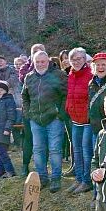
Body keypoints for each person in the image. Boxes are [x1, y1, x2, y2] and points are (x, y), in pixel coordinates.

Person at [22, 50, 67, 192]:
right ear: (34, 63)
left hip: (54, 119)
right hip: (35, 119)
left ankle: (55, 178)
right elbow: (25, 97)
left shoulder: (59, 75)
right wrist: (28, 113)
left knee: (54, 149)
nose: (40, 64)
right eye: (37, 62)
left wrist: (60, 113)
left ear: (48, 61)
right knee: (38, 149)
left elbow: (65, 95)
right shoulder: (29, 77)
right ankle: (42, 177)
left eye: (43, 61)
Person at [66, 47, 94, 193]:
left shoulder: (90, 74)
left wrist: (88, 115)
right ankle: (78, 178)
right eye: (73, 59)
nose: (76, 62)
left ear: (84, 59)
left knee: (86, 151)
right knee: (76, 150)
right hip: (75, 118)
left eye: (79, 59)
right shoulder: (70, 74)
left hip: (87, 120)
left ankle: (86, 180)